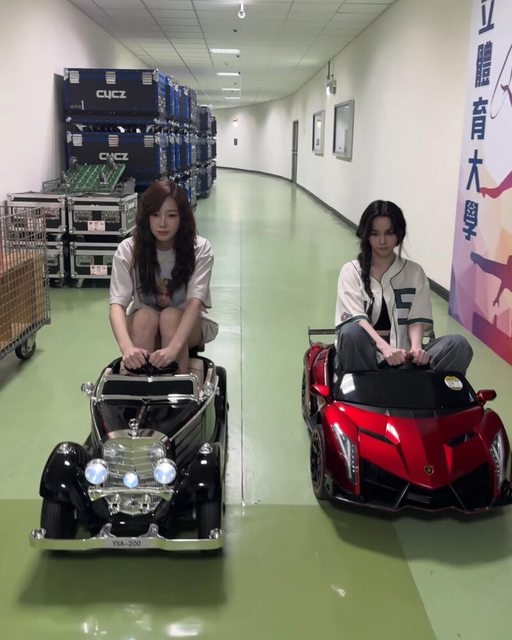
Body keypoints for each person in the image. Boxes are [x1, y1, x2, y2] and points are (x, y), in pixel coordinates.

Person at [334, 200, 473, 375]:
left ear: (399, 234)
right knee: (350, 332)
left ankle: (420, 386)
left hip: (405, 359)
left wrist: (416, 348)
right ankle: (367, 388)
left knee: (458, 345)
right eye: (375, 234)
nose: (382, 241)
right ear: (366, 234)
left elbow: (416, 319)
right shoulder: (351, 271)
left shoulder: (414, 272)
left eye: (389, 233)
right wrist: (385, 348)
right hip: (365, 359)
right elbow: (357, 320)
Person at [109, 179, 218, 374]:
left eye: (172, 215)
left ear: (182, 218)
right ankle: (140, 386)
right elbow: (117, 305)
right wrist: (127, 349)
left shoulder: (200, 249)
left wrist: (173, 349)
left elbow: (194, 303)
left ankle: (178, 386)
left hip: (186, 325)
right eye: (155, 214)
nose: (162, 223)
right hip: (144, 322)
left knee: (169, 317)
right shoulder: (128, 249)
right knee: (145, 317)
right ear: (146, 217)